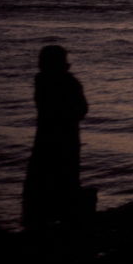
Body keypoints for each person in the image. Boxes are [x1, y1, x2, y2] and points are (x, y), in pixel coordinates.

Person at [23, 45, 88, 229]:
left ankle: (40, 222)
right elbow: (81, 110)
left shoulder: (42, 80)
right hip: (65, 140)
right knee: (66, 179)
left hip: (45, 140)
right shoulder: (68, 83)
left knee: (42, 182)